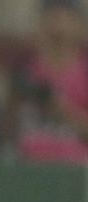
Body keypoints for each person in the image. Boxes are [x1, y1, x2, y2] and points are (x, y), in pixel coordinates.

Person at [8, 0, 88, 162]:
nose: (57, 25)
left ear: (79, 26)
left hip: (76, 167)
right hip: (29, 165)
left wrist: (61, 110)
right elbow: (5, 133)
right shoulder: (23, 70)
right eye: (51, 16)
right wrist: (15, 102)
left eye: (66, 18)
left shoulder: (84, 71)